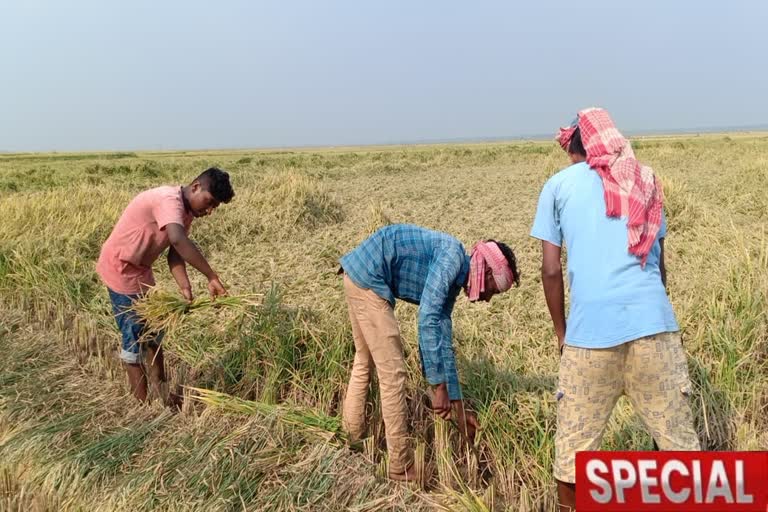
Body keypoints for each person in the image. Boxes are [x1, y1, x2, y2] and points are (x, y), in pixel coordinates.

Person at [530, 108, 700, 511]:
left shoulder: (557, 185)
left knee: (572, 462)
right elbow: (659, 264)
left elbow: (550, 270)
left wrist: (561, 333)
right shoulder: (644, 179)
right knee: (680, 452)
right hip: (654, 327)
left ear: (576, 150)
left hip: (590, 338)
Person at [338, 223, 520, 482]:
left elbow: (442, 339)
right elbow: (427, 318)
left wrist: (457, 409)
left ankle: (351, 438)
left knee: (364, 362)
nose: (488, 299)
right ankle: (400, 466)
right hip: (370, 279)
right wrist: (438, 388)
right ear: (486, 271)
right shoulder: (452, 257)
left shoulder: (453, 278)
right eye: (493, 289)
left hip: (356, 273)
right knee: (393, 376)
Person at [96, 167, 234, 405]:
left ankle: (162, 392)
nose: (209, 210)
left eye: (215, 208)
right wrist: (211, 276)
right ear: (195, 187)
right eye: (209, 202)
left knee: (155, 332)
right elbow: (179, 241)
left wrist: (185, 288)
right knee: (135, 336)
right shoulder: (169, 200)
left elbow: (174, 253)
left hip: (140, 270)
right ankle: (142, 406)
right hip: (120, 268)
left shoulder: (186, 212)